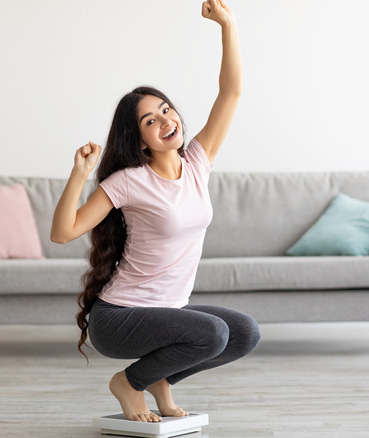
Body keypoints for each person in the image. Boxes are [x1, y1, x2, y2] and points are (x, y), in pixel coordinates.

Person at [51, 0, 259, 423]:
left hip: (169, 314)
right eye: (150, 120)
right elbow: (63, 232)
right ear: (141, 139)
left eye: (165, 109)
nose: (165, 119)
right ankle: (129, 384)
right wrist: (79, 174)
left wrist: (229, 25)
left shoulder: (198, 162)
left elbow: (232, 91)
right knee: (214, 332)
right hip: (119, 318)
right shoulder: (129, 180)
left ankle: (158, 379)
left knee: (242, 334)